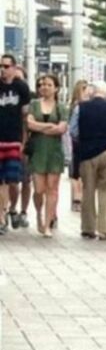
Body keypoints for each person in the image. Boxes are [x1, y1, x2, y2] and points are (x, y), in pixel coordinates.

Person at [69, 80, 106, 240]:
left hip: (87, 153)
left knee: (88, 190)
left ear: (91, 92)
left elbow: (73, 131)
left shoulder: (80, 107)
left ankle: (88, 228)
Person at [25, 74, 69, 238]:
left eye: (49, 85)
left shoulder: (61, 107)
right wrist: (49, 125)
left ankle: (48, 222)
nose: (45, 87)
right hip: (38, 151)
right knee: (39, 189)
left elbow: (61, 128)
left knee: (52, 188)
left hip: (54, 152)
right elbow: (30, 124)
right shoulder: (34, 105)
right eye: (43, 84)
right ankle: (38, 213)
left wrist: (41, 127)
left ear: (56, 88)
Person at [0, 54, 30, 235]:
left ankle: (12, 208)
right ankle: (1, 217)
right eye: (1, 66)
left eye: (6, 66)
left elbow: (25, 117)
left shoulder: (21, 87)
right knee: (1, 181)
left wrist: (23, 141)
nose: (3, 69)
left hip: (14, 139)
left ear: (13, 67)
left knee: (13, 181)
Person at [68, 79, 89, 211]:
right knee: (78, 172)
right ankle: (78, 198)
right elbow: (72, 128)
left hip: (77, 142)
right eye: (84, 89)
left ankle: (77, 199)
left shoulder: (75, 106)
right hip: (79, 142)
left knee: (77, 172)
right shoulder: (78, 106)